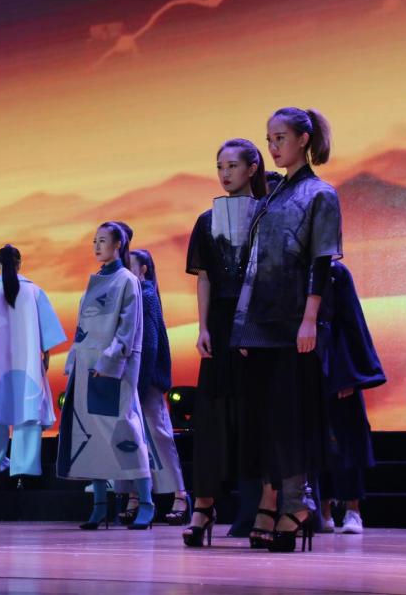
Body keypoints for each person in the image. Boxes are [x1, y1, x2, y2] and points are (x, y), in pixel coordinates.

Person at [232, 107, 341, 553]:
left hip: (296, 320)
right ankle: (272, 499)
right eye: (269, 139)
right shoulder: (271, 196)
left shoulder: (320, 193)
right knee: (264, 419)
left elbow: (322, 260)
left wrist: (310, 318)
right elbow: (252, 266)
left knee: (291, 417)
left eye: (280, 138)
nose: (273, 147)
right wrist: (243, 326)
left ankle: (298, 503)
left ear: (303, 139)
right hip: (261, 322)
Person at [182, 138, 269, 547]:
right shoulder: (206, 220)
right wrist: (202, 327)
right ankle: (203, 506)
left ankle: (263, 506)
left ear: (252, 168)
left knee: (254, 416)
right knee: (212, 417)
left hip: (256, 321)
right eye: (220, 166)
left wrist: (256, 327)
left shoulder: (268, 214)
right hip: (219, 322)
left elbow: (270, 277)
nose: (225, 173)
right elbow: (204, 277)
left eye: (232, 165)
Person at [56, 222, 154, 530]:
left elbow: (128, 327)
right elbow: (83, 327)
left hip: (114, 368)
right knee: (91, 436)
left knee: (125, 430)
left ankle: (147, 502)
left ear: (117, 245)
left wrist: (109, 360)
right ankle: (99, 506)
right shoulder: (96, 280)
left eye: (102, 241)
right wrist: (75, 359)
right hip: (88, 366)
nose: (96, 246)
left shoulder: (127, 280)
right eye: (94, 241)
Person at [0, 245, 66, 482]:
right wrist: (45, 357)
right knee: (28, 412)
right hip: (28, 363)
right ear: (19, 263)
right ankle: (25, 470)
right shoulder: (34, 291)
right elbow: (47, 333)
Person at [114, 249, 189, 526]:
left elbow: (150, 344)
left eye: (131, 264)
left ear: (144, 269)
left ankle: (180, 496)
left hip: (146, 379)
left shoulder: (146, 296)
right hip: (131, 379)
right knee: (133, 438)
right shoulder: (130, 296)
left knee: (159, 436)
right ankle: (136, 495)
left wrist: (142, 383)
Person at [318, 261, 386, 535]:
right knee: (314, 439)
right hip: (305, 359)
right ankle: (322, 511)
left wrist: (348, 374)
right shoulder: (293, 267)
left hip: (337, 361)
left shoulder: (336, 272)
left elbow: (352, 321)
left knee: (347, 438)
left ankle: (353, 510)